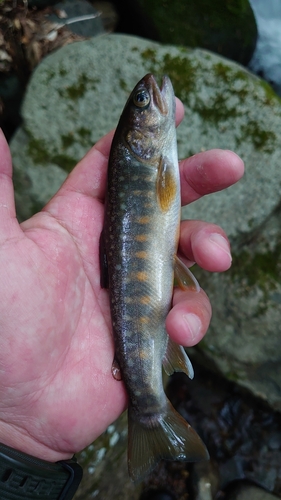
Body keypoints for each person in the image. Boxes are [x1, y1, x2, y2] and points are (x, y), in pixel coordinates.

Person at [0, 100, 243, 483]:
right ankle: (151, 413)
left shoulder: (151, 159)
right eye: (145, 103)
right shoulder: (151, 163)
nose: (153, 96)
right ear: (137, 136)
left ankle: (151, 412)